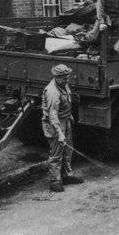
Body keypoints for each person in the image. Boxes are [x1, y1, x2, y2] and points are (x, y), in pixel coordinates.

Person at [42, 64, 84, 193]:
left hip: (64, 119)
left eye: (67, 77)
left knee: (67, 150)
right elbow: (52, 114)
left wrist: (69, 116)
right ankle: (55, 182)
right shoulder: (52, 92)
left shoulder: (63, 85)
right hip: (54, 123)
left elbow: (66, 101)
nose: (67, 80)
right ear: (57, 77)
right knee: (56, 153)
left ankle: (66, 176)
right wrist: (59, 132)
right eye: (64, 78)